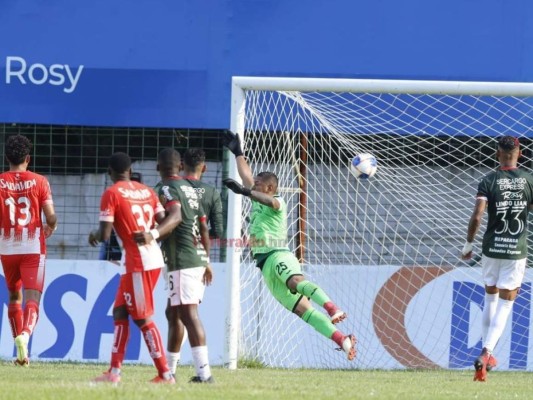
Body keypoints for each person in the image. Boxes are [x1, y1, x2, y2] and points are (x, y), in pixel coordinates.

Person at [222, 130, 356, 361]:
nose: (253, 185)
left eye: (258, 184)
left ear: (269, 188)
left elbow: (267, 200)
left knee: (295, 281)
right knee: (304, 311)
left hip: (278, 254)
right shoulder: (256, 196)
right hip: (264, 266)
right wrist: (238, 152)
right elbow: (246, 177)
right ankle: (342, 340)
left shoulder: (278, 202)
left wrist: (245, 191)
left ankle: (332, 308)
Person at [88, 152, 180, 384]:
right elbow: (164, 220)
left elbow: (106, 233)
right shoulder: (147, 191)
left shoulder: (111, 193)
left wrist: (94, 235)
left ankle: (166, 374)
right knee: (120, 311)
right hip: (147, 258)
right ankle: (114, 372)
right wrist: (153, 234)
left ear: (110, 172)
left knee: (142, 318)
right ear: (130, 171)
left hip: (139, 263)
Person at [461, 135, 533, 382]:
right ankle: (486, 352)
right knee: (506, 302)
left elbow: (478, 217)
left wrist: (468, 244)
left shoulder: (488, 180)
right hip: (515, 250)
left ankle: (486, 351)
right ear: (520, 153)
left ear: (496, 154)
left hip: (492, 248)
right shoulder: (528, 180)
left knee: (490, 296)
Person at [156, 148, 214, 383]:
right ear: (179, 167)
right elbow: (203, 227)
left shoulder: (164, 189)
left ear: (158, 168)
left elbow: (170, 220)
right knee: (173, 312)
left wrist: (153, 234)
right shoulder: (191, 189)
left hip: (182, 258)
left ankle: (205, 374)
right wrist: (207, 260)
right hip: (195, 257)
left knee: (188, 314)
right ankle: (169, 372)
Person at [0, 134, 58, 366]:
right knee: (33, 298)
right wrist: (51, 225)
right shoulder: (39, 181)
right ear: (28, 158)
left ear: (6, 157)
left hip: (7, 247)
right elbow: (51, 216)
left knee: (14, 296)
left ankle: (21, 356)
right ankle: (24, 335)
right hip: (32, 245)